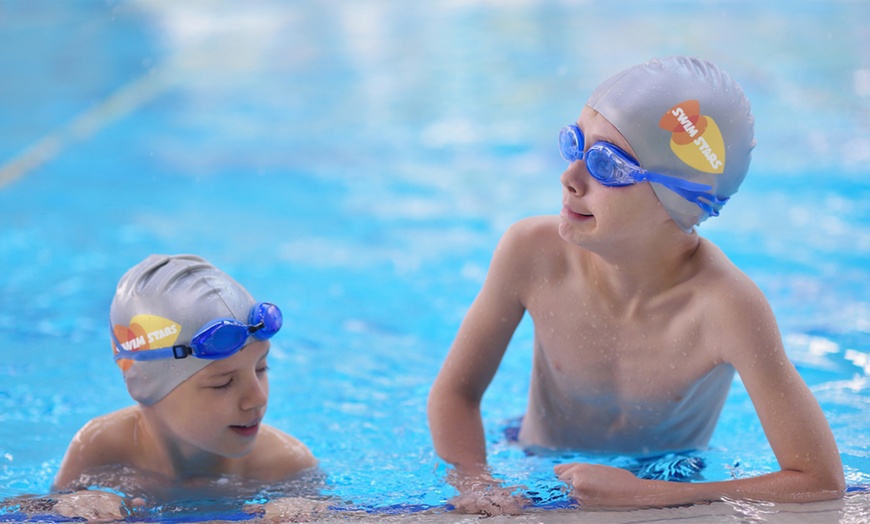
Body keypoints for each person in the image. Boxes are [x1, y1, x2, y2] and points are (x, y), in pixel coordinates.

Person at [427, 56, 845, 515]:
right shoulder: (531, 252)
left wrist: (649, 495)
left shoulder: (726, 308)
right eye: (575, 143)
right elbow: (455, 393)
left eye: (606, 165)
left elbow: (819, 479)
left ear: (680, 200)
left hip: (670, 476)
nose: (570, 178)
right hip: (532, 459)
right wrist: (475, 480)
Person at [28, 254, 317, 520]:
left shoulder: (285, 466)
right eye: (223, 383)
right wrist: (71, 508)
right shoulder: (100, 449)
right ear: (146, 382)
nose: (257, 398)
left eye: (261, 368)